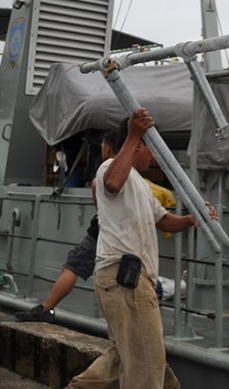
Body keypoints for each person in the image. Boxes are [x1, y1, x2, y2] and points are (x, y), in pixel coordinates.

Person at [67, 108, 215, 389]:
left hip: (129, 281)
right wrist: (134, 133)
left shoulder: (141, 184)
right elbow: (110, 183)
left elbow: (164, 221)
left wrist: (192, 219)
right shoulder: (109, 169)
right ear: (139, 146)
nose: (154, 157)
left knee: (125, 354)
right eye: (152, 149)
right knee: (147, 361)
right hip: (126, 280)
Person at [14, 130, 119, 322]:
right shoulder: (130, 173)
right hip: (121, 234)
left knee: (73, 265)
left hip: (102, 231)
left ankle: (46, 308)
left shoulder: (105, 171)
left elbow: (98, 197)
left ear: (107, 147)